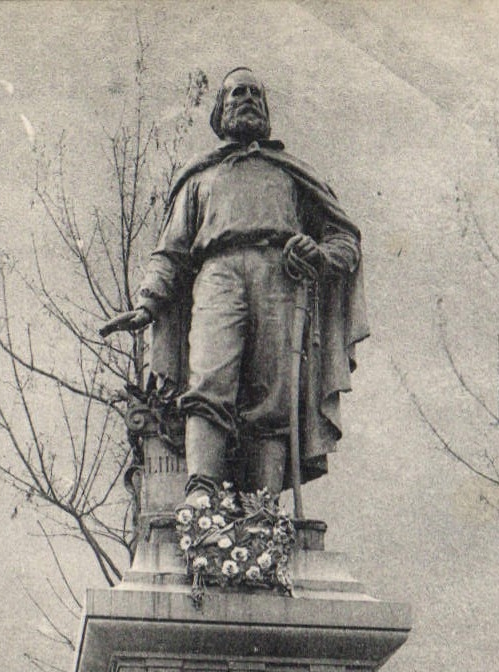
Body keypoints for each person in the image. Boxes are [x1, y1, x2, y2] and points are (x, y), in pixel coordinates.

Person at [101, 68, 368, 508]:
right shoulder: (200, 178)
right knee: (209, 375)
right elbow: (170, 252)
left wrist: (318, 255)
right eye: (236, 92)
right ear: (220, 111)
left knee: (273, 395)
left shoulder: (291, 175)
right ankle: (201, 493)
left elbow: (345, 240)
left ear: (266, 110)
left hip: (280, 281)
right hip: (217, 277)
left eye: (255, 93)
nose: (247, 98)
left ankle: (263, 507)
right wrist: (147, 304)